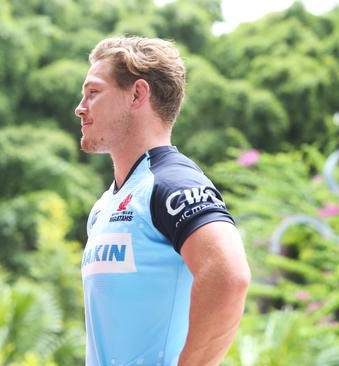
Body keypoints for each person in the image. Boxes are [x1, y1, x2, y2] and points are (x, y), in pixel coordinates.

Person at [75, 36, 251, 366]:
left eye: (93, 92)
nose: (80, 107)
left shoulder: (172, 182)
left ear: (138, 94)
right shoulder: (105, 205)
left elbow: (229, 276)